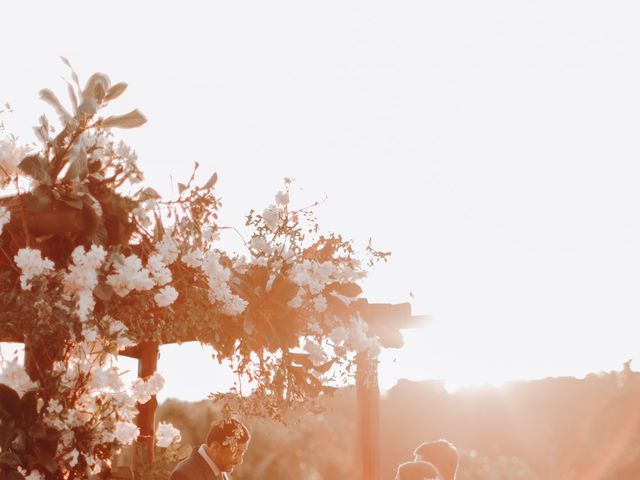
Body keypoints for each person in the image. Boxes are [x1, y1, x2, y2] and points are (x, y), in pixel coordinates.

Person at [169, 418, 250, 480]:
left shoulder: (222, 469)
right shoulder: (184, 475)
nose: (240, 461)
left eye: (242, 453)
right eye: (236, 452)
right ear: (216, 446)